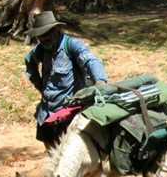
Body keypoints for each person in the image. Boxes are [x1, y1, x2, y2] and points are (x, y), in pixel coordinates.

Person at [24, 11, 108, 149]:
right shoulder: (41, 49)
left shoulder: (72, 46)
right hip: (47, 113)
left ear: (56, 30)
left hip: (69, 113)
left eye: (47, 35)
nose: (44, 40)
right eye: (41, 37)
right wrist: (39, 85)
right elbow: (29, 61)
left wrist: (100, 82)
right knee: (52, 154)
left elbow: (91, 61)